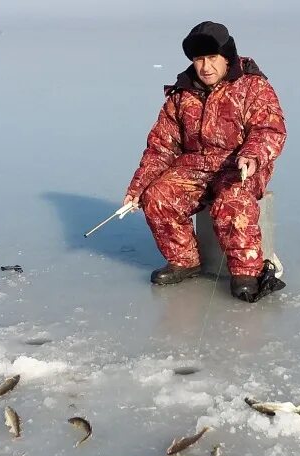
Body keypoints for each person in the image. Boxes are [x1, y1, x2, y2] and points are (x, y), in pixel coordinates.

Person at [123, 21, 287, 302]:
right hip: (195, 165)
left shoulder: (252, 86)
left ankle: (247, 271)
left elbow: (269, 129)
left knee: (232, 200)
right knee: (158, 197)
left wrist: (252, 156)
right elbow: (161, 146)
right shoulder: (182, 94)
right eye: (199, 59)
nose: (206, 67)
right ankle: (184, 260)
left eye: (212, 58)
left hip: (240, 163)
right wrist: (138, 188)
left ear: (227, 58)